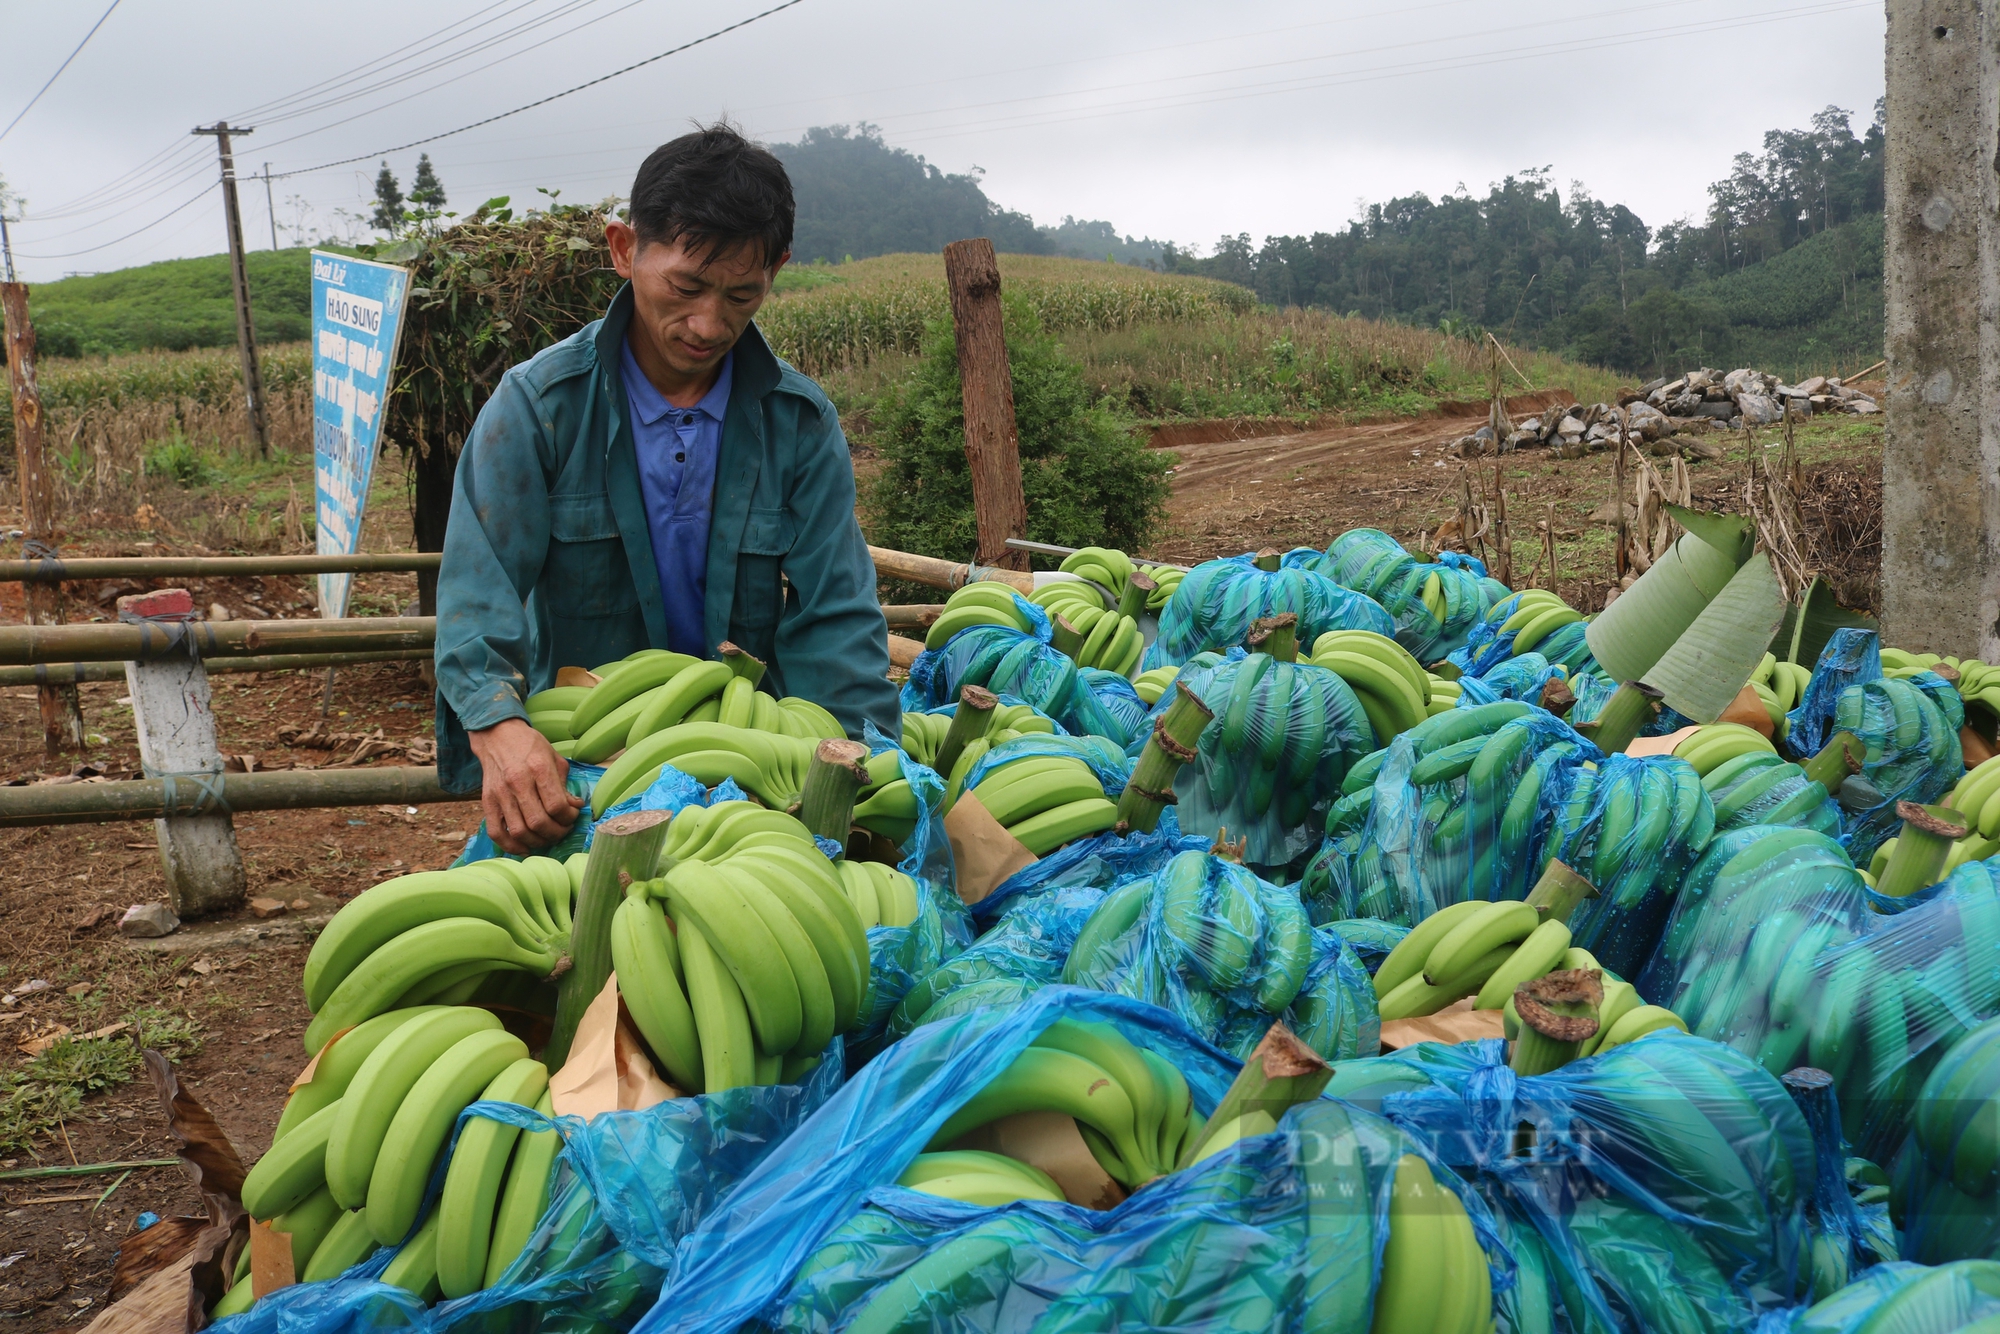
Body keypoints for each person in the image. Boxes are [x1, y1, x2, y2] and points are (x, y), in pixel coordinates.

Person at [432, 124, 899, 853]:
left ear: (777, 268)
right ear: (625, 249)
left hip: (751, 770)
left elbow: (836, 616)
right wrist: (499, 726)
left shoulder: (798, 423)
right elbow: (477, 589)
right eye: (685, 287)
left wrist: (862, 766)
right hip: (587, 761)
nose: (709, 324)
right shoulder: (539, 409)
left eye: (743, 294)